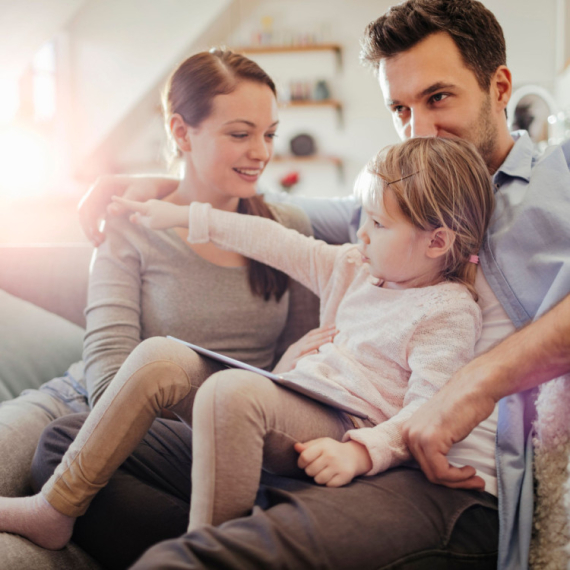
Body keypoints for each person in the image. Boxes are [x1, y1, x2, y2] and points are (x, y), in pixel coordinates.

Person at [37, 0, 570, 568]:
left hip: (436, 479)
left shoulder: (557, 183)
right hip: (331, 436)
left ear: (500, 86)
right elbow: (274, 221)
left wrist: (481, 381)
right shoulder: (388, 216)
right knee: (67, 445)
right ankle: (251, 525)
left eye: (438, 97)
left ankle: (231, 540)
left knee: (186, 557)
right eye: (399, 108)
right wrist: (163, 185)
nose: (420, 129)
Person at [0, 136, 494, 544]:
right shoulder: (353, 268)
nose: (361, 235)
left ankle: (204, 554)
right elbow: (271, 239)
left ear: (436, 242)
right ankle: (54, 508)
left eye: (379, 224)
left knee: (231, 392)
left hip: (344, 425)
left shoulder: (448, 311)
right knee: (158, 358)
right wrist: (183, 216)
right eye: (363, 218)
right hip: (295, 399)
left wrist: (363, 453)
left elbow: (428, 410)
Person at [0, 48, 323, 567]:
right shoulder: (130, 224)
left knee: (68, 466)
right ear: (181, 130)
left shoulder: (287, 232)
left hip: (215, 434)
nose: (261, 152)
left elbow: (304, 366)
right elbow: (108, 366)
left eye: (269, 134)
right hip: (88, 402)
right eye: (240, 134)